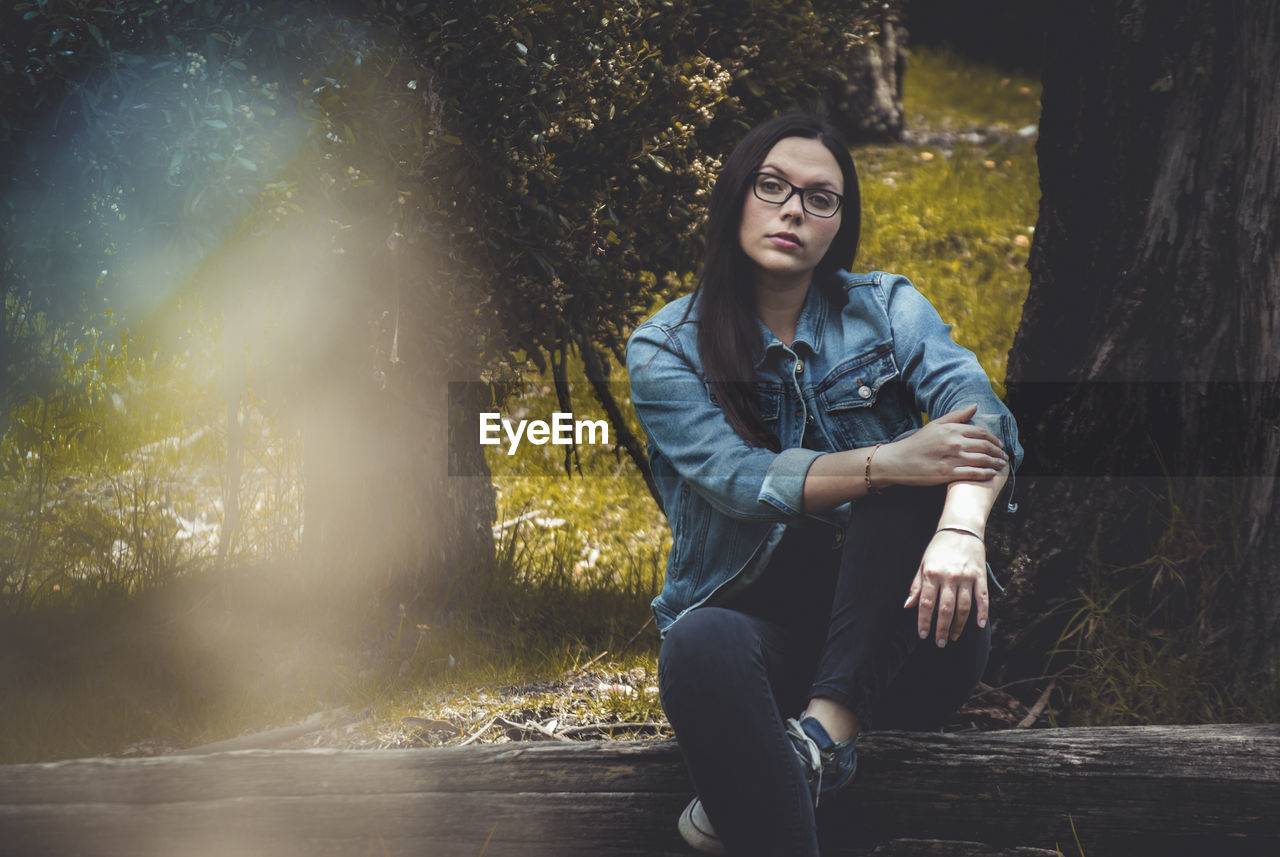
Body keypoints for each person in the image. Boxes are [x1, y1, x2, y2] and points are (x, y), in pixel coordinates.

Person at [625, 113, 1022, 856]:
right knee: (698, 641)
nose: (793, 210)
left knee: (906, 487)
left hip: (912, 634)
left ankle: (817, 741)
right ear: (735, 198)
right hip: (757, 648)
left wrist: (961, 529)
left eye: (820, 198)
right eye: (771, 186)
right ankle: (808, 755)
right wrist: (890, 460)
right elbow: (736, 479)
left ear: (840, 223)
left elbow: (985, 417)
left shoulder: (889, 307)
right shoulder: (666, 347)